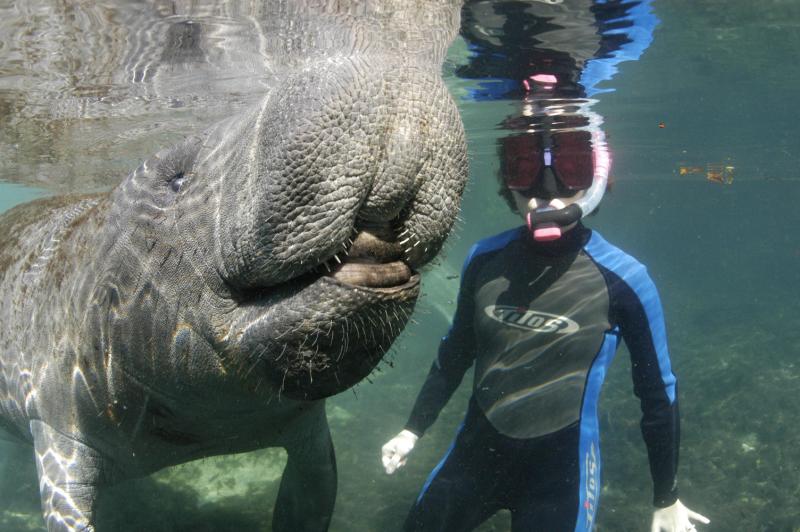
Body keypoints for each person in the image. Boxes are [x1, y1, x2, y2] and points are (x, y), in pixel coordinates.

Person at [381, 4, 709, 530]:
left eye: (573, 165)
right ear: (506, 180)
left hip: (559, 476)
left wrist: (664, 497)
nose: (547, 189)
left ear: (600, 176)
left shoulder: (625, 280)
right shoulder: (484, 260)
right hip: (474, 458)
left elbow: (657, 394)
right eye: (524, 167)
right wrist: (413, 430)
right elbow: (454, 355)